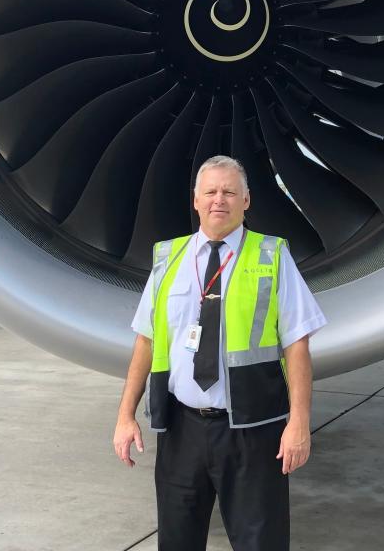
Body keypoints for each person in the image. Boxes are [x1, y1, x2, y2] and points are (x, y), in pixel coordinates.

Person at [113, 155, 327, 551]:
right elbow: (146, 341)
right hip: (182, 429)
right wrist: (125, 415)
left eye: (230, 191)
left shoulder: (272, 257)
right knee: (177, 541)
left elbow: (297, 344)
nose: (219, 200)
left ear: (247, 201)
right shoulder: (167, 260)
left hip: (253, 429)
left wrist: (299, 423)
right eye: (210, 191)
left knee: (261, 541)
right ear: (195, 200)